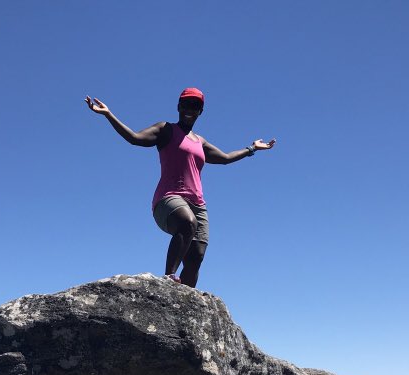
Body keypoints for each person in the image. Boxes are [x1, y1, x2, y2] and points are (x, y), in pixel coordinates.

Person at [85, 88, 275, 288]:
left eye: (195, 106)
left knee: (196, 258)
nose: (189, 109)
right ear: (178, 107)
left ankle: (186, 301)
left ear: (200, 111)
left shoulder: (200, 141)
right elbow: (135, 138)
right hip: (169, 199)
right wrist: (108, 115)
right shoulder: (166, 129)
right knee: (187, 222)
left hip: (198, 204)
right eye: (185, 104)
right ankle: (168, 279)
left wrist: (252, 148)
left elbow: (225, 158)